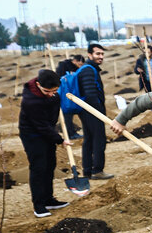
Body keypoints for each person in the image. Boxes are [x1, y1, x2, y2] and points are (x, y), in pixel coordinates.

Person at [18, 69, 71, 218]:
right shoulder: (31, 101)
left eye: (54, 91)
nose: (51, 94)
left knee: (50, 165)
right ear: (38, 84)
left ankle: (49, 199)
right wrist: (59, 139)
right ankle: (39, 205)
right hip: (32, 135)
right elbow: (41, 126)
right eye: (47, 91)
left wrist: (54, 134)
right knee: (38, 168)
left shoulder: (53, 96)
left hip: (47, 130)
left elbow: (50, 120)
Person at [77, 43, 112, 180]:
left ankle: (87, 171)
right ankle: (97, 170)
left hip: (87, 111)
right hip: (91, 111)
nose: (101, 56)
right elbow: (90, 94)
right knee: (98, 140)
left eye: (102, 54)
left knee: (89, 140)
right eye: (97, 54)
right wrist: (99, 113)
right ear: (89, 55)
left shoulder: (90, 69)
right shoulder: (88, 70)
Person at [55, 54, 85, 139]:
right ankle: (70, 134)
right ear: (75, 61)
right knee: (67, 115)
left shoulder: (75, 69)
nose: (80, 66)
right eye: (79, 64)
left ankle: (72, 132)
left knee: (74, 114)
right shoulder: (64, 67)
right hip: (65, 95)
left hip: (73, 94)